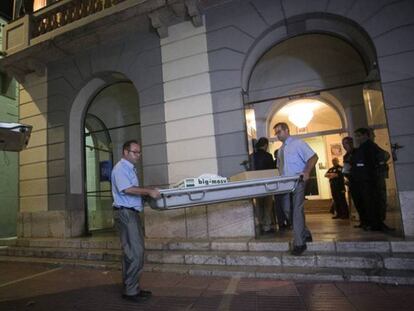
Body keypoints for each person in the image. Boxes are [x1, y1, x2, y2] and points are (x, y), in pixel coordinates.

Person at [111, 140, 160, 303]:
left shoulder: (129, 169)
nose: (138, 155)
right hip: (126, 214)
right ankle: (131, 291)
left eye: (139, 152)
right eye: (135, 152)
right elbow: (127, 189)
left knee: (131, 253)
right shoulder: (120, 169)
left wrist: (146, 194)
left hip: (130, 213)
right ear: (125, 152)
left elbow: (131, 191)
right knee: (136, 252)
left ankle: (132, 288)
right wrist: (148, 191)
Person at [273, 122, 318, 255]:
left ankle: (299, 244)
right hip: (285, 184)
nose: (277, 135)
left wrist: (307, 171)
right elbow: (280, 169)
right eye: (275, 133)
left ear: (287, 130)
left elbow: (313, 157)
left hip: (298, 181)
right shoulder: (280, 150)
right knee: (287, 210)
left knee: (297, 210)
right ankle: (305, 232)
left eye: (279, 131)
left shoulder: (298, 144)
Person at [352, 128, 384, 231]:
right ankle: (370, 222)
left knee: (371, 202)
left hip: (369, 179)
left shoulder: (370, 146)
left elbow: (380, 157)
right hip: (363, 180)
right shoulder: (362, 147)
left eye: (359, 135)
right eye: (356, 136)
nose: (357, 138)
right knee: (366, 202)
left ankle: (375, 224)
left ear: (366, 135)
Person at [252, 137, 276, 234]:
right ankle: (266, 226)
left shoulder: (252, 156)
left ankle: (259, 225)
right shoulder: (268, 156)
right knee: (267, 205)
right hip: (267, 184)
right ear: (265, 145)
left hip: (256, 184)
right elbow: (272, 171)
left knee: (258, 205)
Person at [274, 149, 289, 230]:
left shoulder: (285, 163)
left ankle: (283, 222)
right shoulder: (276, 164)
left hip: (279, 187)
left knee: (280, 206)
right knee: (284, 206)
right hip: (281, 187)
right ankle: (286, 222)